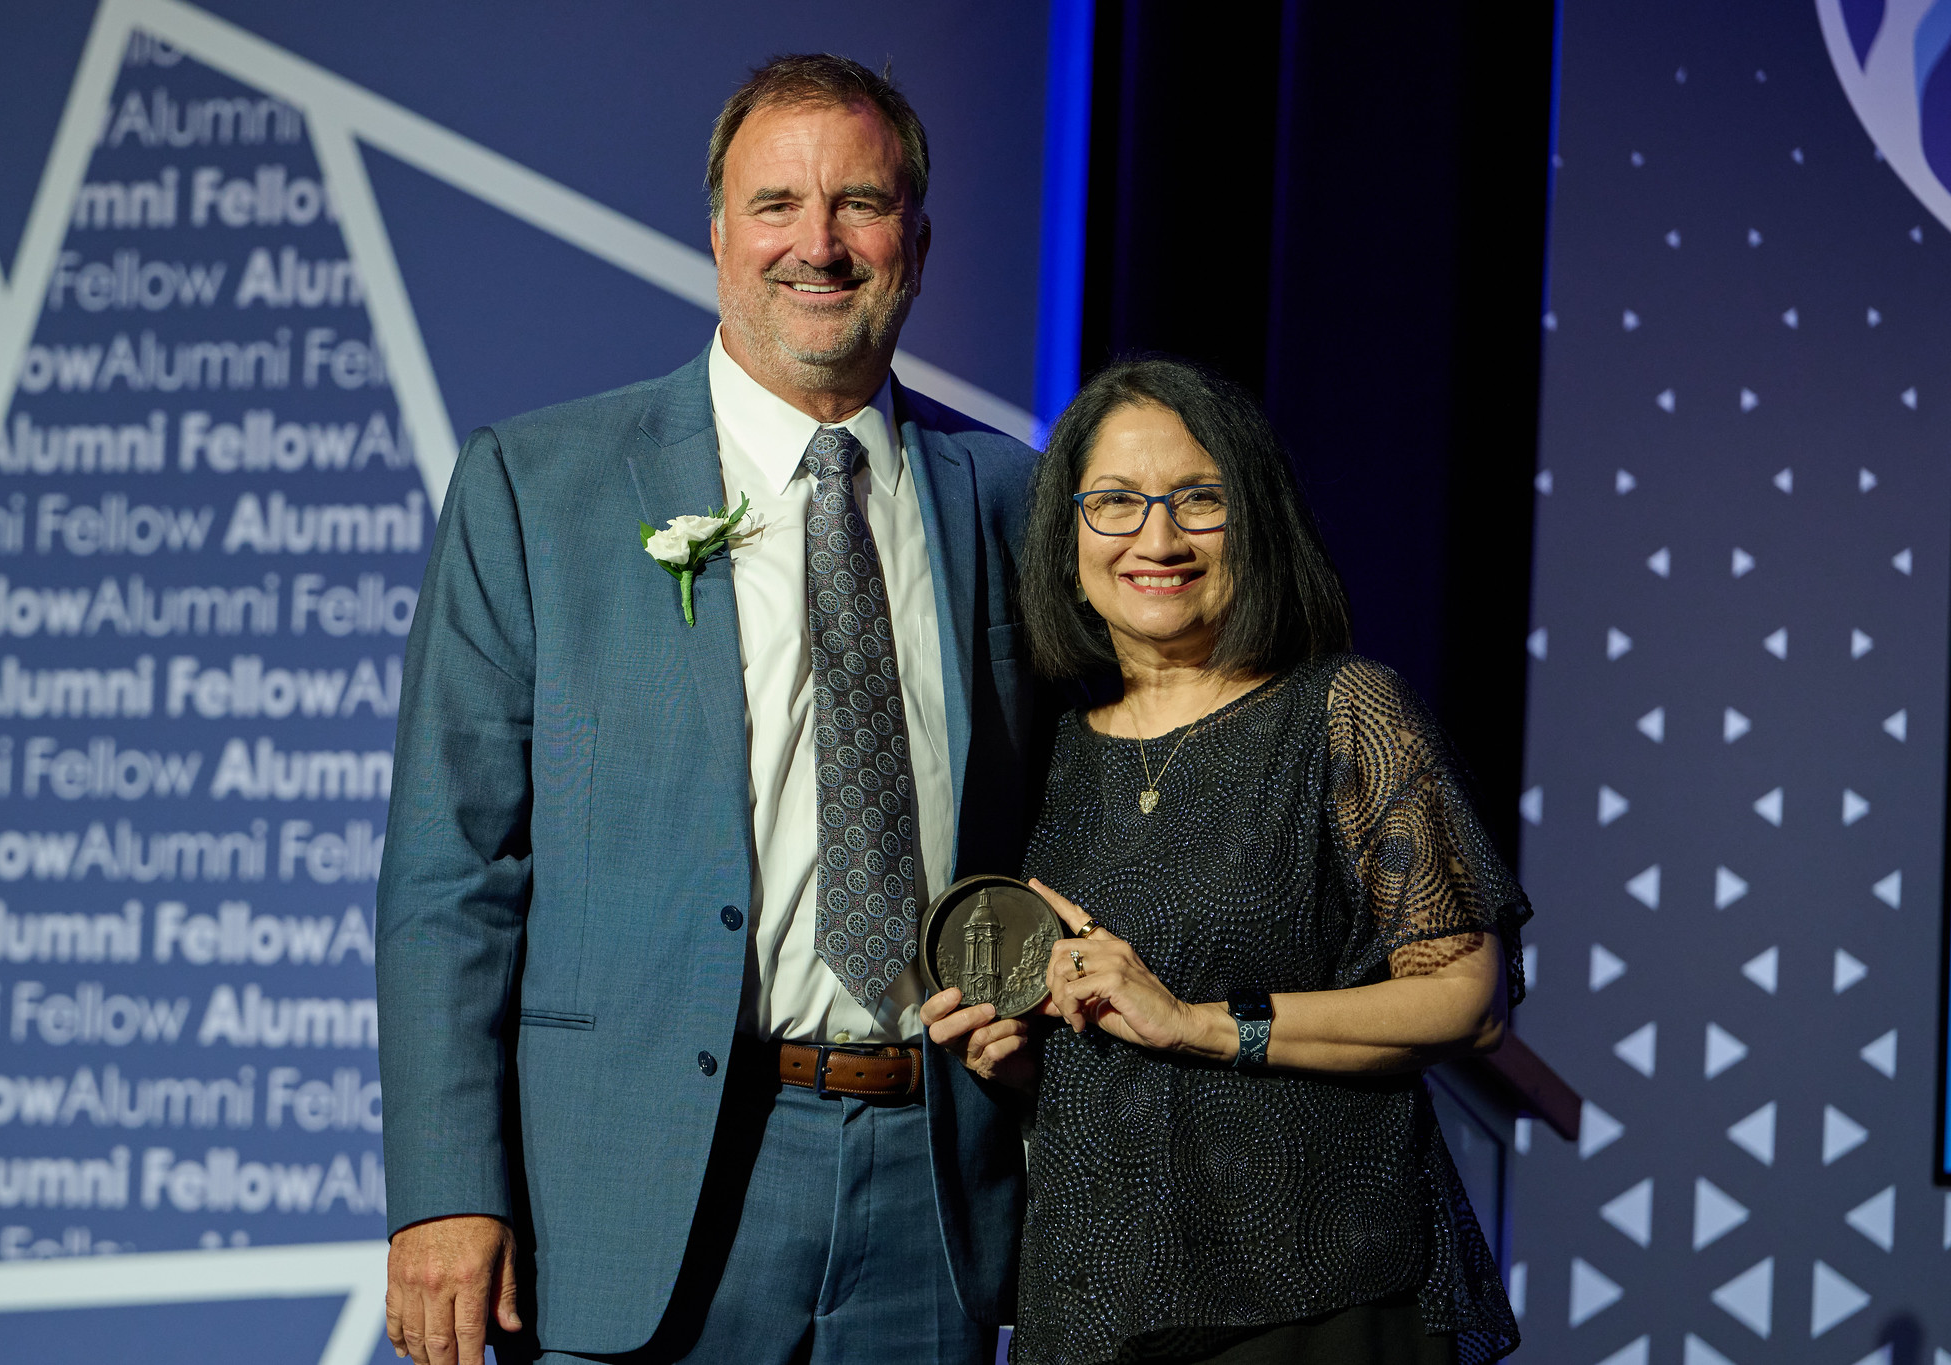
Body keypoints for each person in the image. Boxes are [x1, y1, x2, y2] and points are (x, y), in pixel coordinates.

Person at [376, 55, 1041, 1365]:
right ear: (721, 234)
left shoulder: (1013, 500)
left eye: (861, 202)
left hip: (938, 1184)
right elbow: (452, 868)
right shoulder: (541, 486)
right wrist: (449, 1186)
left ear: (917, 236)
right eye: (776, 204)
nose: (819, 243)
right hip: (640, 1184)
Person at [923, 358, 1528, 1364]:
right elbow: (1097, 1032)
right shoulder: (1049, 754)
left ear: (1253, 519)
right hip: (1097, 1298)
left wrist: (1199, 1025)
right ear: (1065, 533)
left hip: (1313, 1295)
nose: (1155, 539)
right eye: (1114, 503)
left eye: (1196, 501)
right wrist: (1026, 1063)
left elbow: (1464, 996)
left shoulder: (1340, 713)